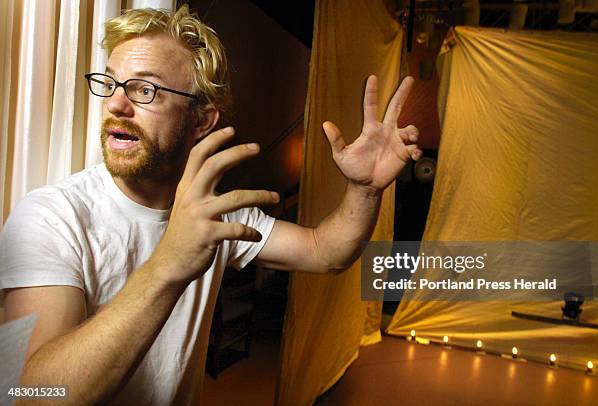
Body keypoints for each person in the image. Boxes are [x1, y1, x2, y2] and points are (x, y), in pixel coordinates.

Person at [0, 5, 421, 405]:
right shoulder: (50, 216)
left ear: (201, 121)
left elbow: (327, 253)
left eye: (144, 89)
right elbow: (29, 395)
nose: (115, 105)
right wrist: (170, 263)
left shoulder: (215, 213)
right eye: (110, 83)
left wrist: (365, 190)